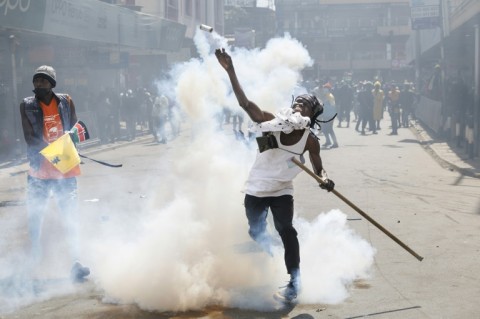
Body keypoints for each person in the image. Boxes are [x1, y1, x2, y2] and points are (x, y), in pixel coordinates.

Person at [215, 48, 335, 303]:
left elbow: (318, 167)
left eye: (305, 104)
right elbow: (245, 105)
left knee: (287, 230)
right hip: (256, 189)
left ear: (311, 115)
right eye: (296, 102)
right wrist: (231, 71)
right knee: (256, 232)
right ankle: (266, 247)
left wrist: (324, 179)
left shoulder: (309, 140)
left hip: (282, 190)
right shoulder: (270, 122)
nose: (298, 105)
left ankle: (295, 281)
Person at [19, 65, 90, 283]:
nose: (38, 84)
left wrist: (71, 140)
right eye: (36, 81)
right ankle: (34, 264)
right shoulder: (27, 105)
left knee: (70, 216)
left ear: (51, 84)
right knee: (35, 218)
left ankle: (76, 262)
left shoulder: (66, 101)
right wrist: (53, 150)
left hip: (66, 170)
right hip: (39, 169)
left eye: (42, 81)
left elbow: (76, 127)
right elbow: (30, 137)